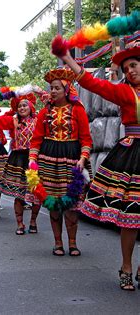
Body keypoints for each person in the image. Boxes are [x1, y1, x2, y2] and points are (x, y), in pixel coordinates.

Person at [60, 38, 140, 290]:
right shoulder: (124, 92)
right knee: (131, 215)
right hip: (133, 154)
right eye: (126, 68)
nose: (130, 71)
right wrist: (69, 59)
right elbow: (92, 83)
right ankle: (126, 265)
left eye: (135, 65)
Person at [29, 67, 92, 257]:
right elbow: (36, 139)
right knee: (53, 202)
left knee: (72, 204)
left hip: (72, 159)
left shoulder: (78, 110)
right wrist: (32, 160)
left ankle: (72, 243)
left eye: (57, 87)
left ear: (66, 89)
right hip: (48, 160)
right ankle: (58, 243)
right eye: (51, 88)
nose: (53, 91)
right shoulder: (44, 113)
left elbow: (86, 139)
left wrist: (83, 159)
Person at [0, 96, 40, 233]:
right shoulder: (13, 121)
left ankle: (33, 221)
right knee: (18, 193)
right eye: (19, 106)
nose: (22, 108)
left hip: (34, 159)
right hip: (18, 159)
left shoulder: (38, 121)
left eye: (25, 105)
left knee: (36, 193)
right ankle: (20, 224)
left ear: (31, 107)